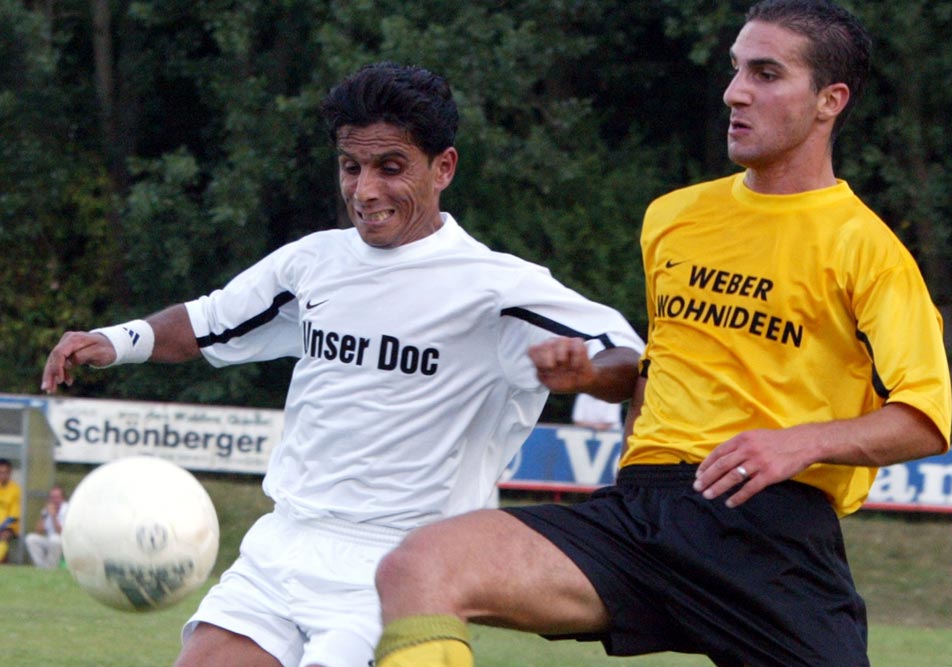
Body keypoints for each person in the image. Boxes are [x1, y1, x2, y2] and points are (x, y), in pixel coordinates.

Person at [371, 2, 952, 666]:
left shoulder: (868, 250)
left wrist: (798, 443)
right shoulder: (674, 217)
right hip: (643, 516)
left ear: (830, 100)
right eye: (736, 69)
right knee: (421, 565)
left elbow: (924, 418)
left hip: (770, 536)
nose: (735, 92)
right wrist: (595, 377)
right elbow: (663, 367)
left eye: (766, 74)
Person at [40, 62, 643, 667]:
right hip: (283, 544)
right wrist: (114, 341)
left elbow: (629, 359)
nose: (365, 191)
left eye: (390, 167)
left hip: (403, 565)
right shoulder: (313, 263)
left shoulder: (498, 287)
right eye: (351, 167)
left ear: (444, 168)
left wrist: (588, 376)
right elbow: (208, 321)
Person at [25, 485, 69, 569]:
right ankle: (41, 567)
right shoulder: (47, 509)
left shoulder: (67, 509)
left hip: (65, 542)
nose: (54, 500)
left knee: (55, 539)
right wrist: (44, 516)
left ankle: (50, 568)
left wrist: (54, 516)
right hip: (50, 539)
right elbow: (38, 531)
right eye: (52, 497)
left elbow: (61, 532)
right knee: (30, 538)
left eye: (57, 497)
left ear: (62, 498)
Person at [0, 458, 21, 564]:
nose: (3, 475)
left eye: (5, 473)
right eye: (1, 473)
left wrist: (1, 527)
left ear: (10, 473)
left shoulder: (15, 490)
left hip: (10, 527)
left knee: (4, 535)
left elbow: (13, 517)